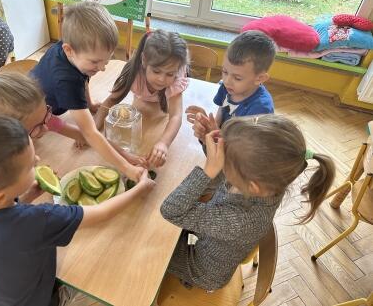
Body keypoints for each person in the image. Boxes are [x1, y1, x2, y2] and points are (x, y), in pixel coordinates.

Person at [0, 115, 156, 306]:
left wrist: (25, 197)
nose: (38, 159)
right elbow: (100, 213)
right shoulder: (36, 221)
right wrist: (138, 190)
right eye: (30, 165)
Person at [160, 115, 335, 291]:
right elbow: (230, 172)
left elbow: (170, 211)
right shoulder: (269, 183)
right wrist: (219, 144)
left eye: (225, 159)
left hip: (201, 270)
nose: (221, 161)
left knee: (148, 246)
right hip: (208, 239)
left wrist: (208, 171)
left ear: (252, 186)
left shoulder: (239, 220)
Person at [31, 1, 143, 181]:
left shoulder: (70, 49)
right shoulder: (66, 80)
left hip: (44, 112)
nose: (102, 68)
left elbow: (81, 78)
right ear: (69, 50)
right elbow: (89, 134)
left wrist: (89, 104)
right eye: (95, 62)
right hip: (33, 119)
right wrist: (127, 166)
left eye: (106, 60)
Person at [94, 29, 189, 168]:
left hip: (159, 112)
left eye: (169, 74)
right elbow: (110, 101)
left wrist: (163, 143)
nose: (162, 79)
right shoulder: (133, 74)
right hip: (142, 103)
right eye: (156, 71)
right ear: (144, 60)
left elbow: (175, 116)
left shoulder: (176, 79)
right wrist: (94, 129)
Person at [186, 30, 275, 143]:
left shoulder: (261, 109)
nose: (227, 81)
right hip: (221, 141)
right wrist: (212, 125)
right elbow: (222, 108)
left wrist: (215, 132)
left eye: (237, 78)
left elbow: (245, 147)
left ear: (259, 78)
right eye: (225, 71)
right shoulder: (227, 86)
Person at [0, 72, 86, 145]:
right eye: (37, 128)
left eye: (47, 114)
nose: (46, 129)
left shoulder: (38, 117)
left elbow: (82, 135)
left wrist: (86, 136)